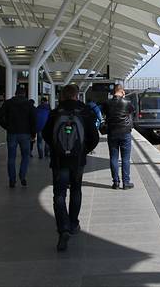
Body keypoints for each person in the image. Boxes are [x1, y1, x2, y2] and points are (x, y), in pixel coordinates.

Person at [42, 84, 99, 251]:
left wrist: (57, 148)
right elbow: (94, 137)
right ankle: (73, 224)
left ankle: (63, 229)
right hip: (77, 161)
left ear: (62, 96)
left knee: (59, 194)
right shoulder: (84, 111)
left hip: (59, 161)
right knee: (76, 190)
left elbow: (46, 134)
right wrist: (82, 151)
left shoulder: (55, 112)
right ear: (77, 95)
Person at [0, 88, 36, 188]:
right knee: (25, 156)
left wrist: (6, 126)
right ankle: (22, 176)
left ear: (15, 94)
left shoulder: (8, 103)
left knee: (11, 157)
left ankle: (12, 180)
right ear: (24, 94)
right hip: (25, 134)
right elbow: (33, 120)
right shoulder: (29, 104)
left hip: (12, 133)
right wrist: (33, 133)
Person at [101, 84, 135, 190]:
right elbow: (131, 111)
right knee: (125, 159)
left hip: (112, 133)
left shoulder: (107, 103)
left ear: (114, 91)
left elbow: (104, 114)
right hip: (125, 133)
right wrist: (123, 98)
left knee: (113, 158)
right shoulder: (127, 102)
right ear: (122, 91)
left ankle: (115, 182)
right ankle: (126, 183)